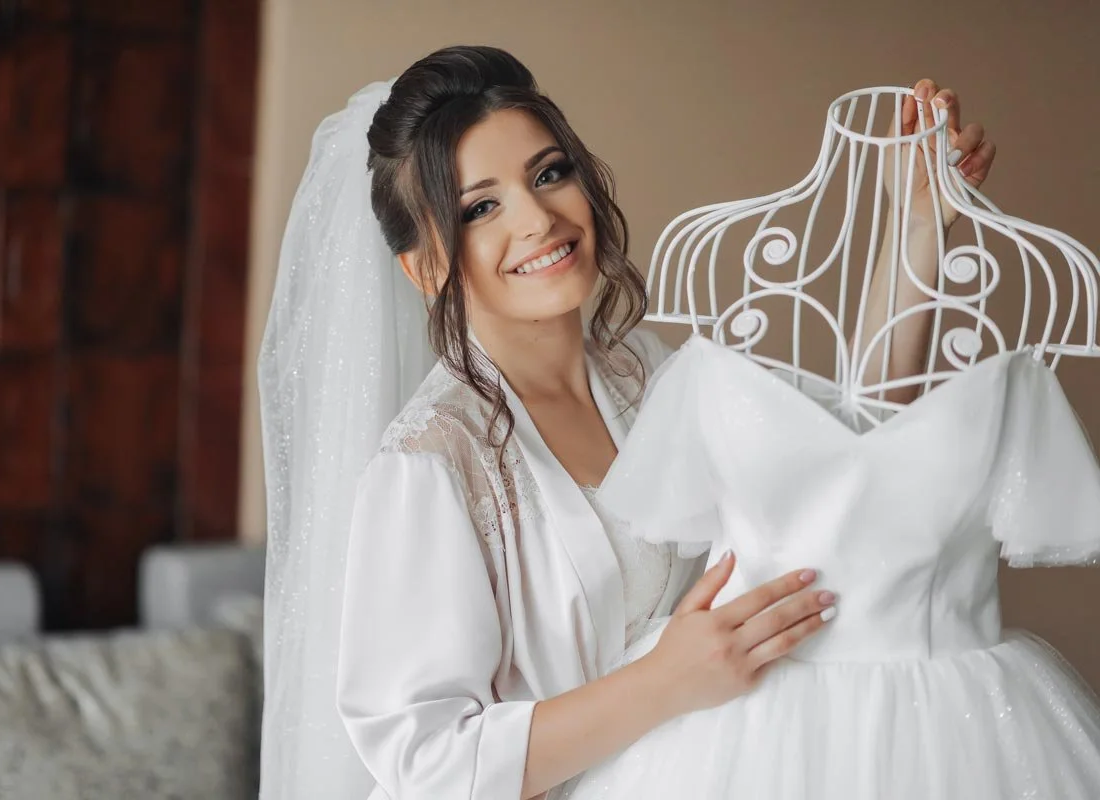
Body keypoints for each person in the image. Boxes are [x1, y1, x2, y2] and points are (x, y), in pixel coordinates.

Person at [258, 45, 997, 800]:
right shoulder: (431, 465)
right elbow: (427, 762)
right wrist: (663, 683)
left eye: (549, 173)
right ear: (426, 268)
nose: (540, 219)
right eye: (481, 207)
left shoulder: (648, 373)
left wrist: (917, 230)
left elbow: (846, 456)